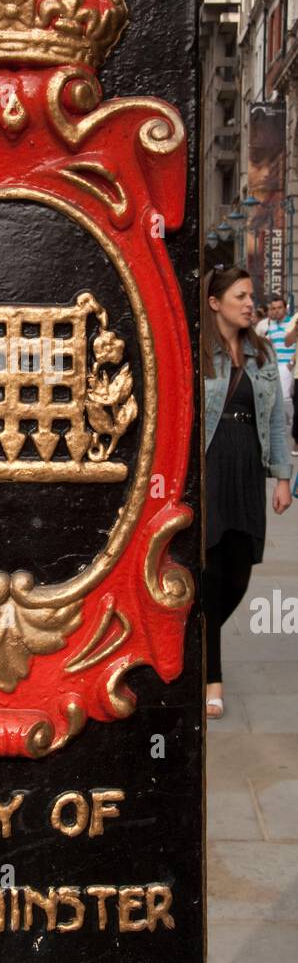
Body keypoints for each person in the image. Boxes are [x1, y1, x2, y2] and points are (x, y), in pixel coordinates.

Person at [203, 266, 293, 720]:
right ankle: (211, 677)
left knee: (239, 574)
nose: (249, 303)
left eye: (251, 295)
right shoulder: (200, 352)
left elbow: (277, 419)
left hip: (246, 468)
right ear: (215, 302)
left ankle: (191, 644)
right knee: (213, 572)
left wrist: (282, 477)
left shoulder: (260, 354)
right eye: (240, 296)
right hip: (211, 466)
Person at [256, 293, 295, 429]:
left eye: (279, 307)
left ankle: (292, 421)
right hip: (274, 365)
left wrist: (292, 362)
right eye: (273, 308)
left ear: (285, 309)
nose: (276, 310)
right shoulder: (269, 325)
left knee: (284, 396)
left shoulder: (292, 323)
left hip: (288, 365)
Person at [284, 308, 298, 456]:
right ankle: (297, 442)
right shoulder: (296, 318)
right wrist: (295, 328)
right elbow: (288, 343)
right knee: (297, 411)